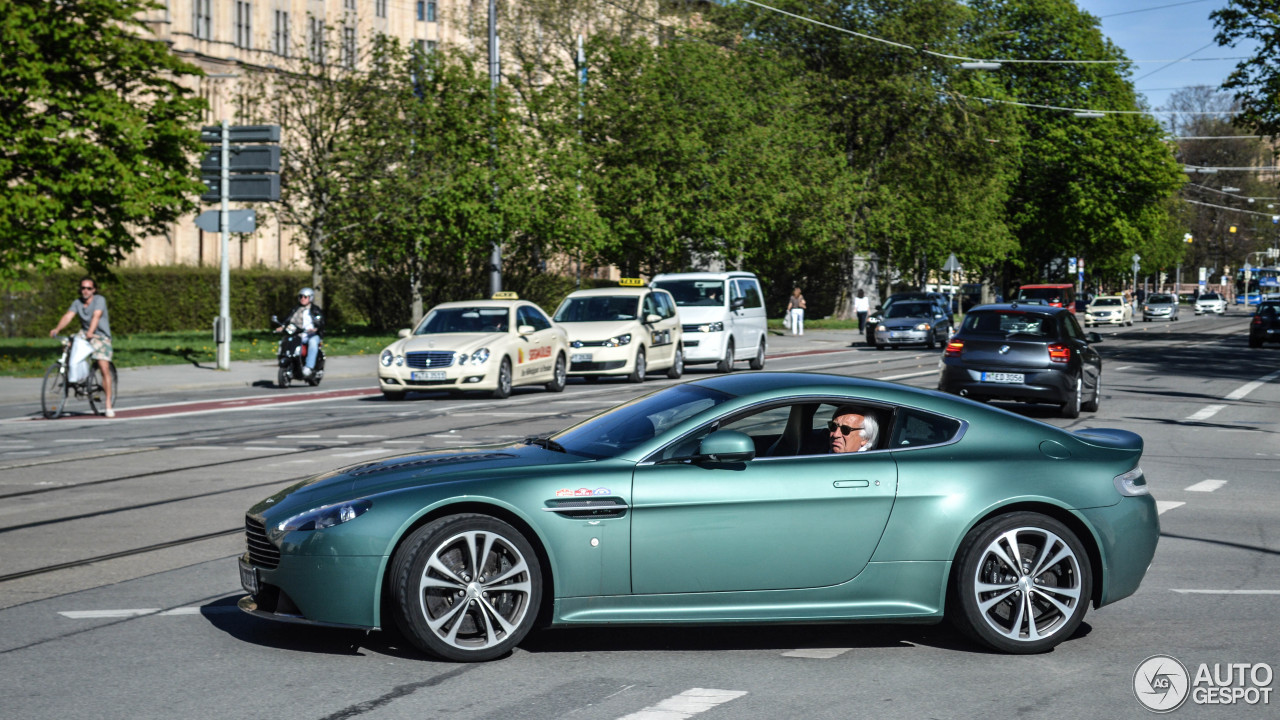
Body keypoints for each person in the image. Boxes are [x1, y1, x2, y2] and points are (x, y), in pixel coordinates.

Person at [49, 276, 115, 417]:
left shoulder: (99, 300)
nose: (85, 291)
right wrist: (57, 329)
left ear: (94, 290)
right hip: (85, 334)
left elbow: (96, 316)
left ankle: (108, 403)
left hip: (100, 336)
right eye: (83, 288)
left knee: (103, 367)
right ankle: (76, 378)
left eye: (89, 288)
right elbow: (68, 316)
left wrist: (91, 332)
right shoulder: (77, 303)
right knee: (68, 345)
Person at [276, 287, 325, 377]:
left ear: (310, 298)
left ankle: (308, 367)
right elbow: (288, 319)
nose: (302, 298)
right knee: (287, 341)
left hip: (311, 334)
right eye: (301, 296)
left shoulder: (315, 309)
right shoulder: (295, 309)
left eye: (305, 297)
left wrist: (316, 328)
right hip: (298, 333)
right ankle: (288, 360)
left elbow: (321, 321)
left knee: (313, 342)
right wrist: (282, 326)